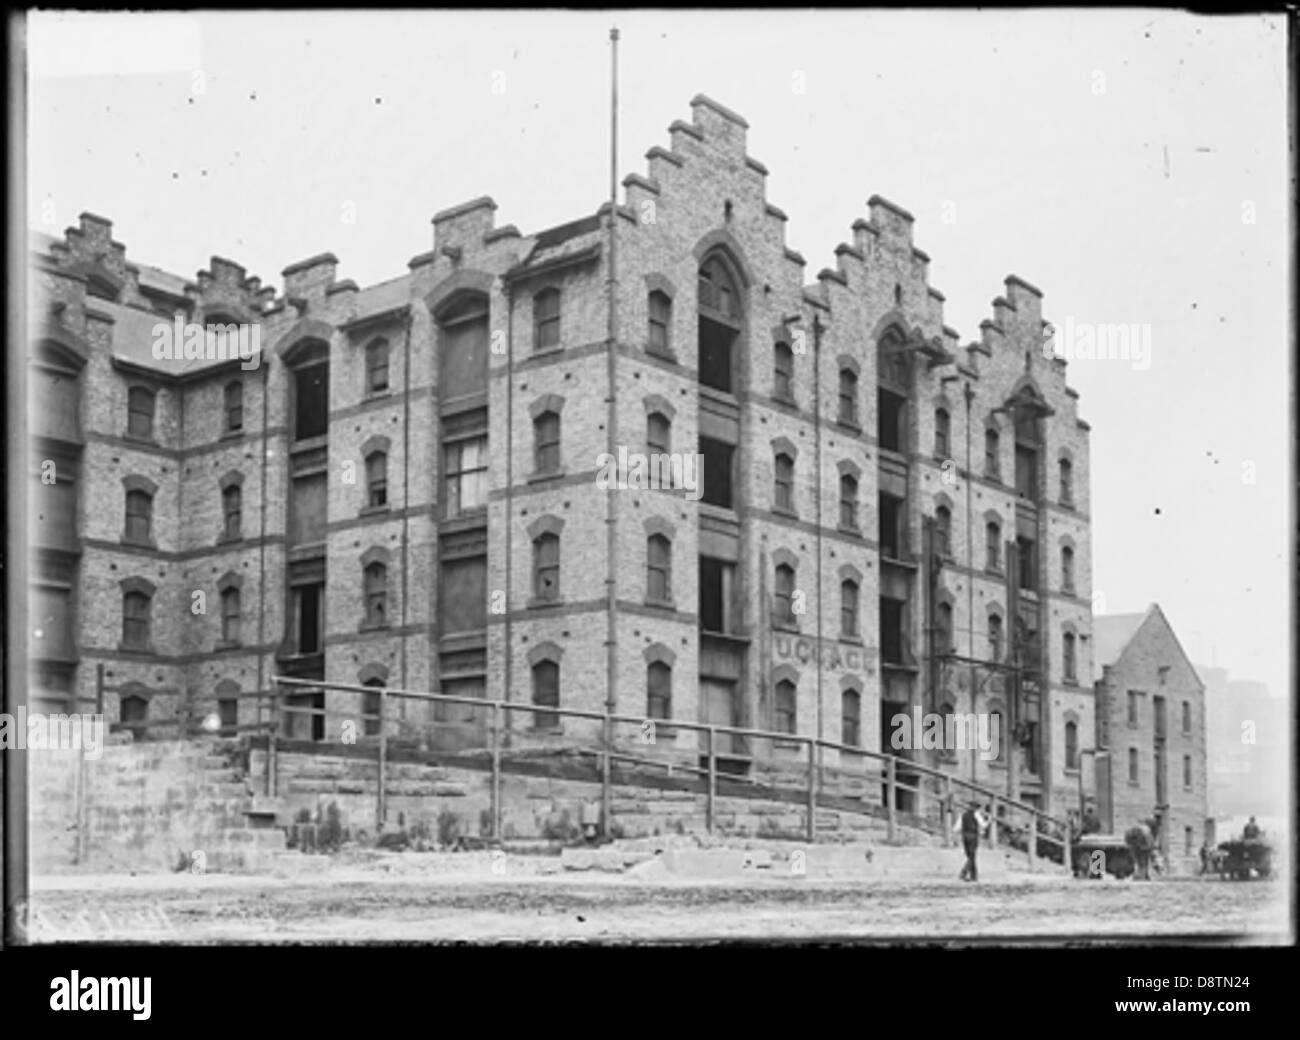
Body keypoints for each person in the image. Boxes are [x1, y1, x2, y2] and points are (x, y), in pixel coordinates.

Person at [955, 801, 981, 881]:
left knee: (970, 855)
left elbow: (957, 827)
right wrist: (989, 821)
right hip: (973, 836)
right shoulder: (976, 815)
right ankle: (964, 872)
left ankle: (974, 876)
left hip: (965, 835)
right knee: (972, 856)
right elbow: (983, 824)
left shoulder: (963, 815)